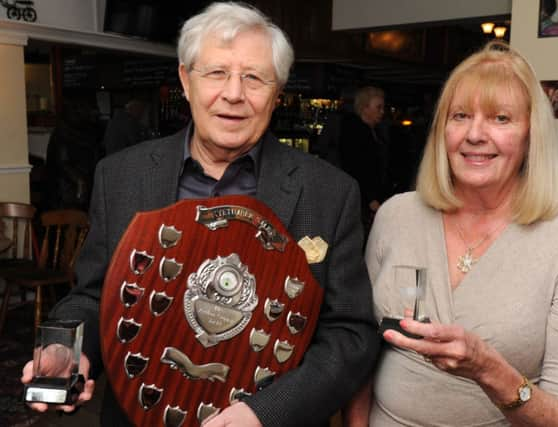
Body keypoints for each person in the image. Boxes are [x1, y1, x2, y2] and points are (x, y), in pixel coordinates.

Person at [21, 3, 379, 427]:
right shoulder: (122, 175)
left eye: (254, 77)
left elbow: (350, 335)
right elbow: (96, 295)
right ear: (185, 81)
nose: (233, 93)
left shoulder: (328, 192)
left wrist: (266, 413)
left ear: (277, 92)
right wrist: (71, 349)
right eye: (216, 73)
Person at [344, 41, 558, 426]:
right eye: (460, 115)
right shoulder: (397, 215)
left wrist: (488, 370)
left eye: (501, 119)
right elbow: (361, 349)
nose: (475, 134)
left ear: (532, 135)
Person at [339, 86, 392, 232]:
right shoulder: (355, 133)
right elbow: (356, 168)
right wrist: (370, 199)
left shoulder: (374, 132)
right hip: (362, 201)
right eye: (378, 107)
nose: (382, 112)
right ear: (364, 108)